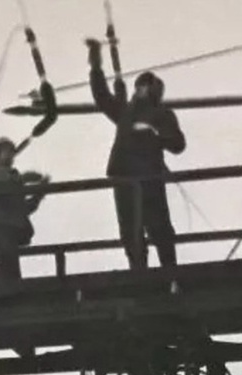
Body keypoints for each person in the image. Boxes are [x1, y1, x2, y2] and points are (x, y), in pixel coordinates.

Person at [86, 38, 186, 272]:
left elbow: (178, 144)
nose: (139, 90)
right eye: (139, 86)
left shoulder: (161, 114)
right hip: (126, 177)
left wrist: (155, 134)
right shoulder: (126, 112)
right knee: (131, 232)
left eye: (144, 86)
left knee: (159, 229)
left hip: (148, 176)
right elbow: (102, 96)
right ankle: (140, 274)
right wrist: (95, 64)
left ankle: (169, 274)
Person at [0, 137, 49, 283]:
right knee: (6, 258)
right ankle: (4, 288)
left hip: (12, 225)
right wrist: (22, 179)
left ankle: (10, 286)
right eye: (5, 151)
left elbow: (23, 208)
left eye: (11, 151)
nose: (10, 154)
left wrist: (39, 192)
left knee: (10, 260)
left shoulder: (13, 176)